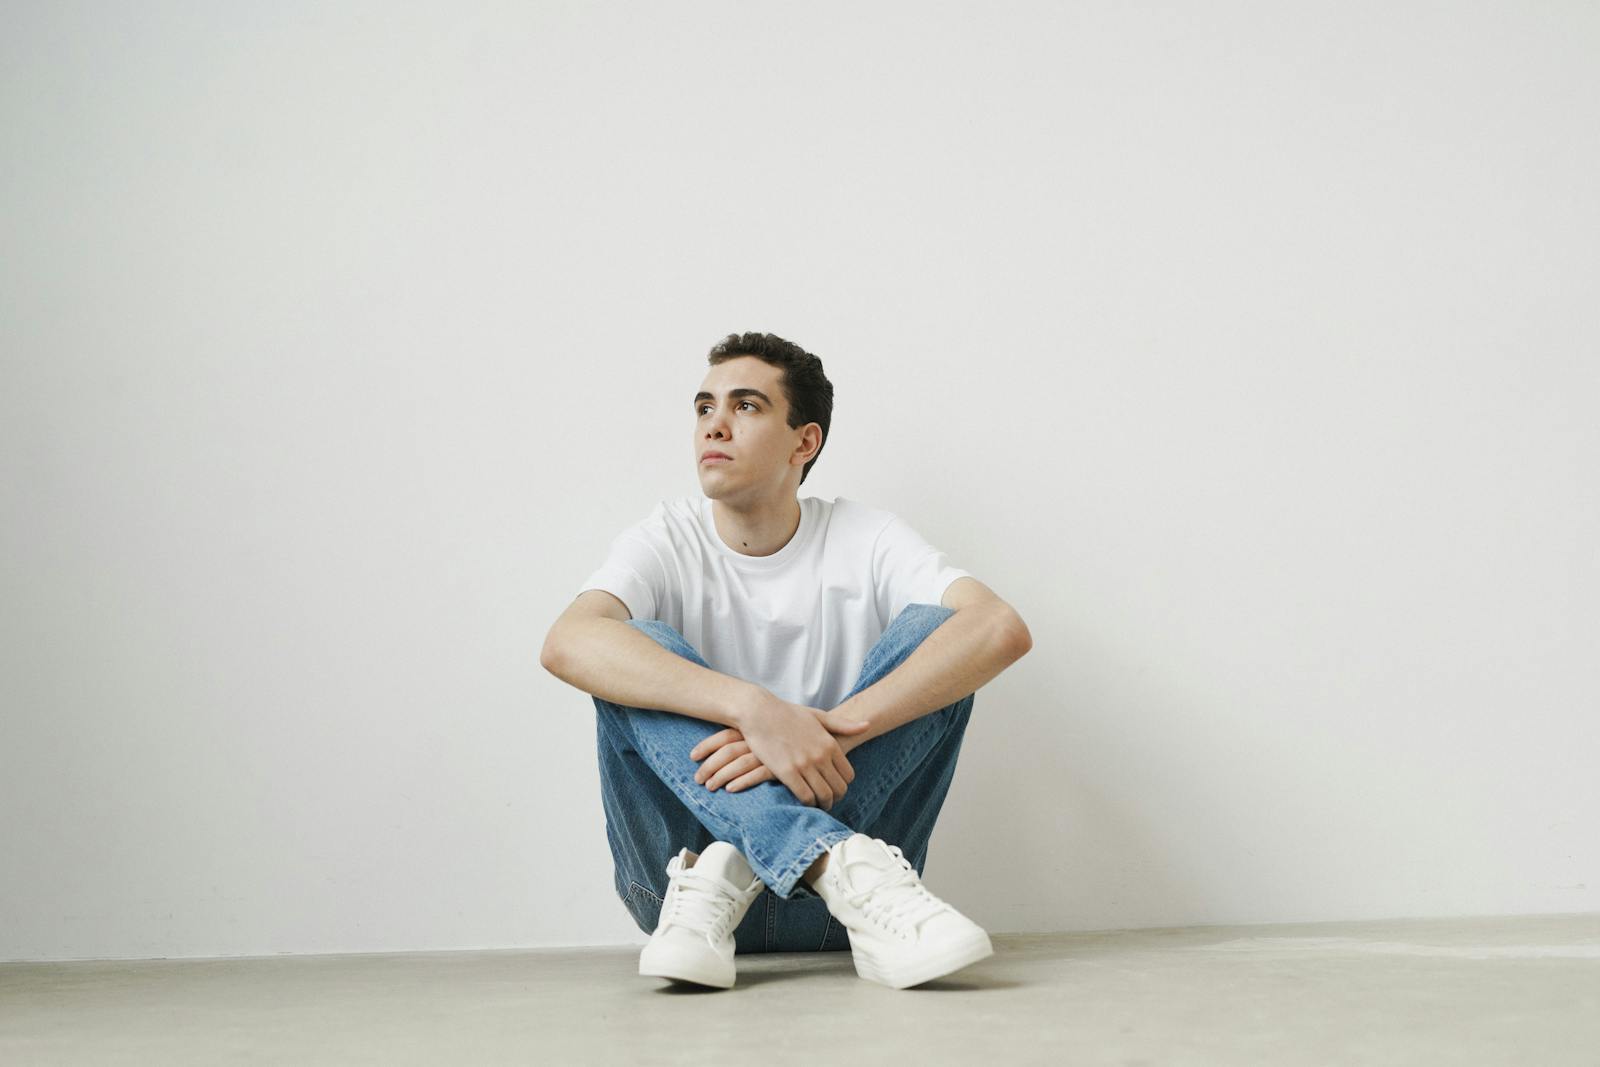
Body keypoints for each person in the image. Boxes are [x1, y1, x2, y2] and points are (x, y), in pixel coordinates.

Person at [540, 331, 1032, 990]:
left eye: (745, 406)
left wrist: (820, 730)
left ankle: (795, 858)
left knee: (939, 634)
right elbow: (567, 641)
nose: (714, 423)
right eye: (704, 406)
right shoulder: (665, 538)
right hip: (685, 898)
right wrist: (756, 710)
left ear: (805, 442)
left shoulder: (868, 536)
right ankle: (823, 854)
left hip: (844, 911)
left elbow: (997, 627)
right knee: (630, 645)